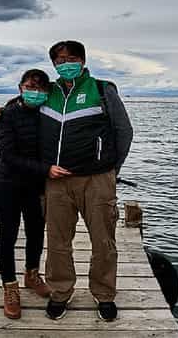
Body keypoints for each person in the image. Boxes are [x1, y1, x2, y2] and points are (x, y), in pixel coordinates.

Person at [39, 40, 133, 322]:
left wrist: (111, 171)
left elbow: (124, 132)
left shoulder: (102, 90)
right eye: (58, 60)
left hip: (97, 180)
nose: (64, 64)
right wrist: (0, 115)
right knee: (57, 242)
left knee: (104, 241)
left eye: (69, 58)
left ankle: (104, 294)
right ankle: (59, 292)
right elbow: (24, 118)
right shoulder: (48, 92)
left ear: (82, 60)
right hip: (57, 181)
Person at [0, 69, 54, 319]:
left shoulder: (49, 114)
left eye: (39, 88)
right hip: (8, 183)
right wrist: (47, 169)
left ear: (46, 92)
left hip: (37, 185)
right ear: (20, 88)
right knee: (8, 234)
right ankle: (10, 288)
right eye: (29, 86)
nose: (34, 91)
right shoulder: (7, 114)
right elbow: (8, 155)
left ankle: (31, 275)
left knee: (36, 231)